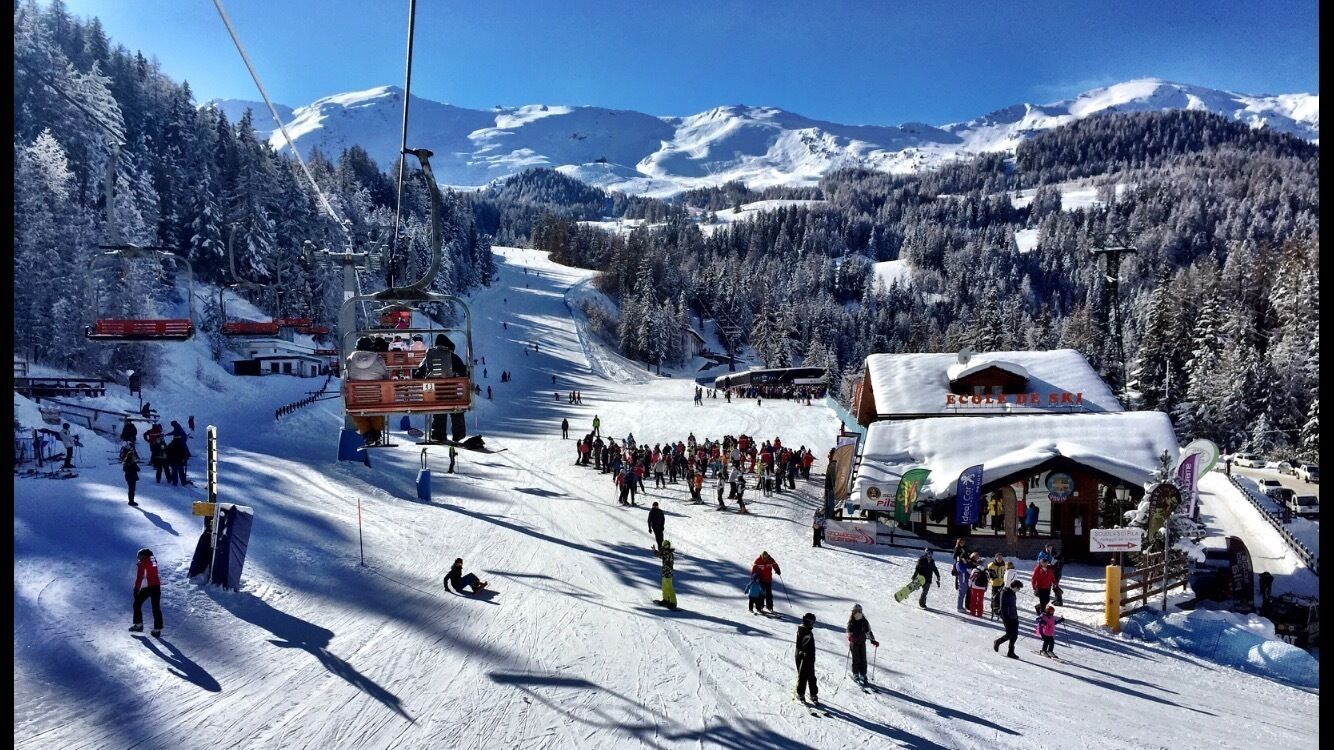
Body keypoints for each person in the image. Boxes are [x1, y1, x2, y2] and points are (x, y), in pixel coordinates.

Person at [346, 343, 391, 443]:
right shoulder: (378, 359)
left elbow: (346, 376)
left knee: (357, 413)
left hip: (356, 398)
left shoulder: (349, 360)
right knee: (378, 411)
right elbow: (386, 376)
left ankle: (367, 433)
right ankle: (376, 433)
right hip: (376, 397)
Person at [130, 548, 163, 637]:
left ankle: (139, 625)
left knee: (137, 604)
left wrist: (136, 589)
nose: (138, 557)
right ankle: (157, 630)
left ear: (144, 555)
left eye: (139, 555)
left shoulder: (143, 563)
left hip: (147, 587)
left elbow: (140, 577)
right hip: (156, 586)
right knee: (156, 608)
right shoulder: (153, 560)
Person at [846, 604, 880, 685]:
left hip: (862, 642)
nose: (858, 613)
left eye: (859, 611)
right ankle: (855, 674)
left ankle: (863, 674)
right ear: (853, 612)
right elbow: (848, 632)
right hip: (854, 643)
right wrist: (850, 637)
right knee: (856, 659)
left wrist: (873, 640)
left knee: (863, 659)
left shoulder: (864, 622)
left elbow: (868, 632)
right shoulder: (851, 622)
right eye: (856, 611)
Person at [993, 580, 1022, 658]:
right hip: (1007, 617)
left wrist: (1016, 616)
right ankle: (998, 642)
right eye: (1018, 588)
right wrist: (1006, 617)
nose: (1018, 590)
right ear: (1015, 587)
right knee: (1010, 634)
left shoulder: (1012, 593)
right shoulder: (1005, 592)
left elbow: (1013, 606)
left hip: (1014, 616)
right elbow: (1003, 607)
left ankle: (1011, 652)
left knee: (1015, 635)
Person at [795, 612, 819, 703]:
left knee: (811, 676)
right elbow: (800, 645)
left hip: (809, 657)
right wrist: (802, 652)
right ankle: (801, 693)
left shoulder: (807, 630)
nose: (813, 624)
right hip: (802, 657)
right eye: (812, 622)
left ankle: (813, 694)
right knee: (803, 676)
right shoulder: (803, 630)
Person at [987, 553, 1007, 618]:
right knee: (995, 597)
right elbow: (989, 574)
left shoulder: (1004, 564)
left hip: (1002, 583)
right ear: (995, 558)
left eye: (1001, 558)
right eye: (998, 558)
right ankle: (994, 609)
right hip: (995, 583)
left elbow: (1005, 573)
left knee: (1001, 597)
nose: (1000, 559)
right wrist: (992, 575)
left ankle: (999, 609)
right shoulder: (992, 565)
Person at [658, 540, 677, 609]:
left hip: (668, 574)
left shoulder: (669, 554)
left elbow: (670, 564)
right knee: (664, 587)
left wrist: (668, 566)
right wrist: (654, 551)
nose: (663, 547)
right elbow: (660, 555)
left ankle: (673, 602)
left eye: (664, 546)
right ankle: (665, 600)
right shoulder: (665, 553)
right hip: (664, 573)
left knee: (670, 588)